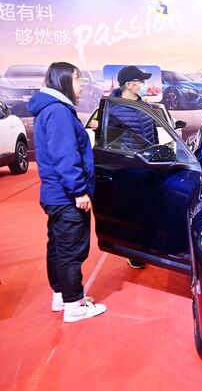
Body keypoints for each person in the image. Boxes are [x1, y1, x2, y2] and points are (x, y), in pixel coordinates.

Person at [27, 62, 107, 322]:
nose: (82, 83)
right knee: (72, 250)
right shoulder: (59, 112)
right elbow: (65, 156)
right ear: (62, 80)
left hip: (54, 194)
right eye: (77, 78)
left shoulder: (49, 110)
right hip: (66, 195)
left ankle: (62, 296)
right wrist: (79, 191)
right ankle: (74, 304)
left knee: (59, 248)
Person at [108, 65, 160, 269]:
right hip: (129, 167)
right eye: (139, 81)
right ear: (129, 84)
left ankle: (150, 246)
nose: (142, 84)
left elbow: (153, 136)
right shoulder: (113, 108)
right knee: (133, 212)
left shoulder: (145, 105)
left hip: (149, 167)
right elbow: (110, 141)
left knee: (151, 210)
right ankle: (135, 252)